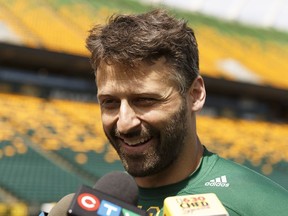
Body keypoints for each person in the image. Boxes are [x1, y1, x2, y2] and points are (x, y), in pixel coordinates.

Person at [86, 9, 288, 216]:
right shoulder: (98, 203)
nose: (124, 123)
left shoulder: (260, 204)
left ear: (195, 94)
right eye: (110, 102)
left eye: (145, 100)